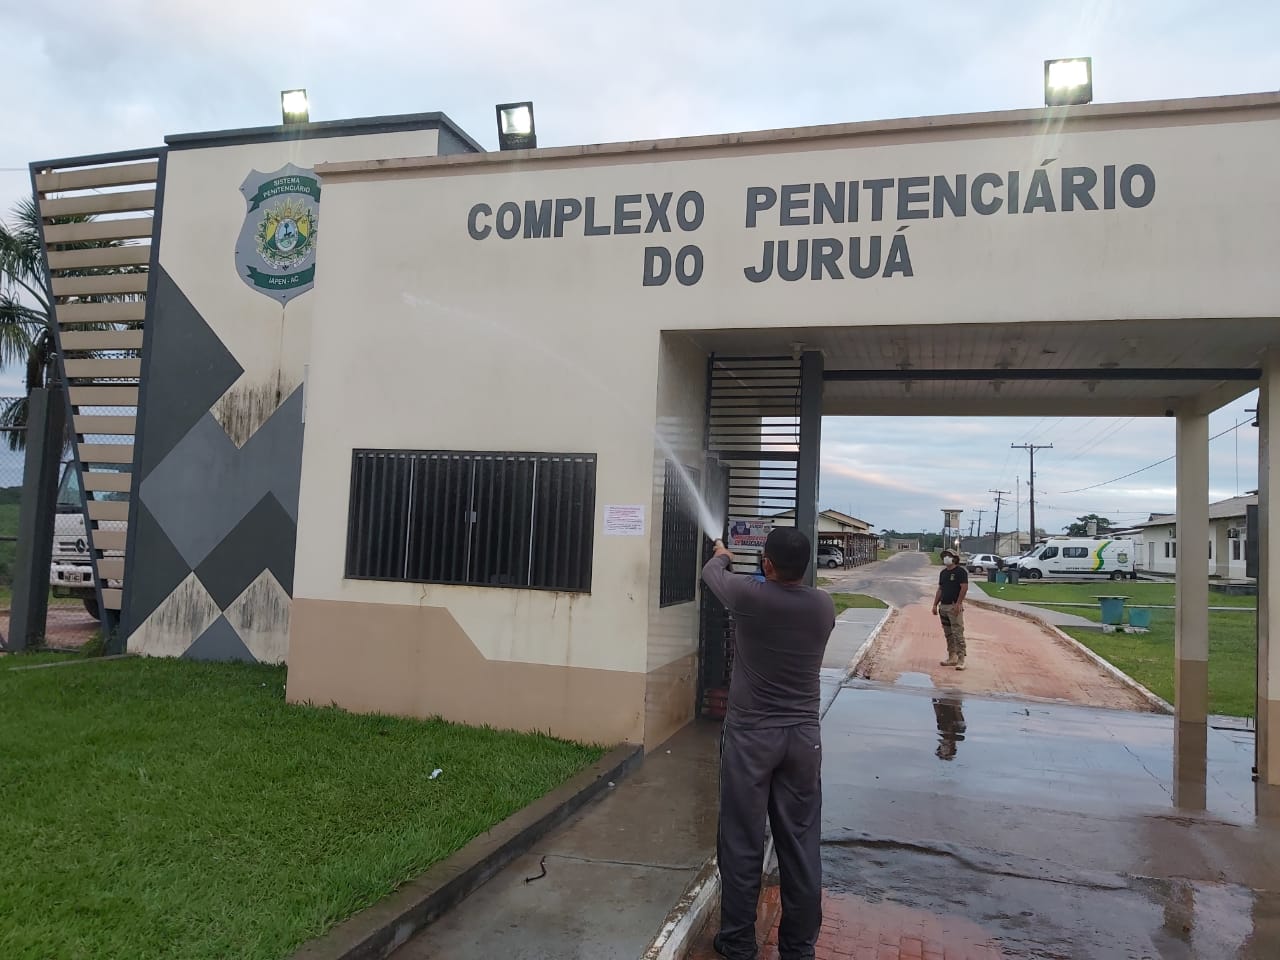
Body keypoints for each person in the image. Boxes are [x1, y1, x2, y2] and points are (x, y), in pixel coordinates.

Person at [701, 528, 836, 960]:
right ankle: (798, 949)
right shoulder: (823, 605)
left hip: (752, 738)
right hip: (802, 741)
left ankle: (738, 942)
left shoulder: (750, 597)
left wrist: (722, 552)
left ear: (768, 564)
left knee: (742, 840)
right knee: (799, 843)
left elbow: (711, 572)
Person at [932, 549, 968, 669]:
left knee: (957, 633)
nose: (946, 558)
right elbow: (940, 589)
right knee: (948, 633)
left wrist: (958, 603)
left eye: (949, 556)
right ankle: (952, 656)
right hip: (944, 606)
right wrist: (935, 604)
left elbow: (964, 588)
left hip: (954, 606)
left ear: (954, 558)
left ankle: (961, 659)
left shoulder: (960, 572)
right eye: (944, 556)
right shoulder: (943, 573)